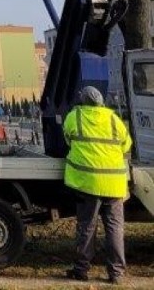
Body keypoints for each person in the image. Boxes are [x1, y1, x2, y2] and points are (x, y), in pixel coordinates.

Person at [63, 85, 132, 284]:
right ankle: (116, 274)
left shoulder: (74, 117)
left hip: (88, 183)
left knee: (87, 226)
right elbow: (127, 145)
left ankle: (81, 270)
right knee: (115, 228)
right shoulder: (113, 119)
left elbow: (68, 139)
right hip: (115, 183)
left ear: (81, 100)